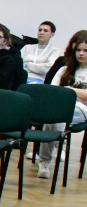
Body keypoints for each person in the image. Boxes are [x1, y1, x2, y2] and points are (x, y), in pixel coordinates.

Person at [39, 37, 87, 179]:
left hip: (82, 110)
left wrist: (68, 90)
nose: (81, 53)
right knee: (53, 119)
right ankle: (46, 160)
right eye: (78, 50)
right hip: (60, 107)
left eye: (85, 50)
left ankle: (50, 154)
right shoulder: (64, 70)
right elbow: (53, 92)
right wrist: (78, 94)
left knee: (55, 120)